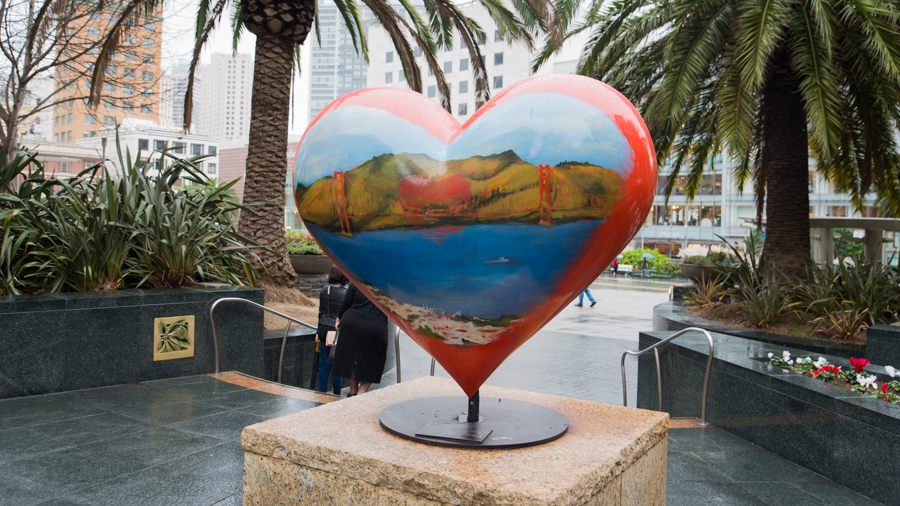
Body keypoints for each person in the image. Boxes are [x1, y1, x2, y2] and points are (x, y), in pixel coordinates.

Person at [332, 282, 389, 396]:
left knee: (351, 360)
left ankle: (353, 391)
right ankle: (361, 392)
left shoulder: (358, 280)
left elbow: (346, 301)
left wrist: (339, 317)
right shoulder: (387, 285)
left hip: (351, 323)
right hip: (375, 326)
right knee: (372, 361)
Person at [315, 266, 348, 394]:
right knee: (337, 366)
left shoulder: (325, 290)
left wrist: (318, 332)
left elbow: (321, 311)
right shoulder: (346, 293)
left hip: (323, 330)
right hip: (338, 332)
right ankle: (336, 394)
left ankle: (322, 392)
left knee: (324, 365)